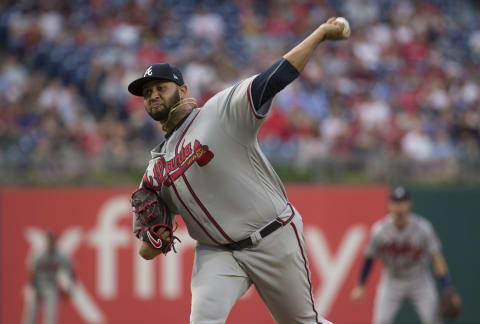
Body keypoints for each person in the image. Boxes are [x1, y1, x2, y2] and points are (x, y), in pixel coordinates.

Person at [128, 17, 349, 324]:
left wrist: (320, 34)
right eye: (147, 92)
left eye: (160, 87)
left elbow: (273, 78)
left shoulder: (219, 113)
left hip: (273, 235)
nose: (152, 95)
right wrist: (154, 238)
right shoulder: (154, 172)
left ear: (183, 89)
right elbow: (146, 252)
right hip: (217, 253)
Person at [351, 186, 454, 324]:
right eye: (396, 203)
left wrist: (446, 285)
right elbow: (369, 257)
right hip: (392, 281)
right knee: (381, 321)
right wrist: (361, 285)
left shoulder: (423, 228)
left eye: (402, 202)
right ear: (389, 206)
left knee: (433, 320)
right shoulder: (380, 230)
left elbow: (436, 257)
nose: (399, 207)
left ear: (409, 204)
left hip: (419, 280)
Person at [24, 231, 76, 324]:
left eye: (52, 241)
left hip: (50, 286)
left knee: (51, 315)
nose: (51, 243)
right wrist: (33, 287)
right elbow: (32, 272)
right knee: (31, 314)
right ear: (46, 242)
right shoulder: (39, 255)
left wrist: (69, 288)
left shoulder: (60, 255)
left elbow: (71, 270)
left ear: (55, 242)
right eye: (49, 241)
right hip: (37, 285)